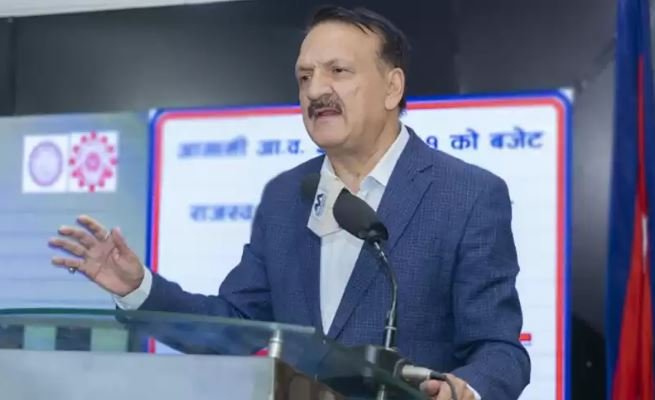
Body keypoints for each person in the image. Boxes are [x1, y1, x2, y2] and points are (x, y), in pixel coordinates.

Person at [48, 6, 530, 400]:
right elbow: (237, 326)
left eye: (338, 71)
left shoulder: (466, 195)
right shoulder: (286, 197)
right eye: (304, 77)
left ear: (392, 87)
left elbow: (500, 349)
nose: (316, 90)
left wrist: (466, 389)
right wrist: (139, 289)